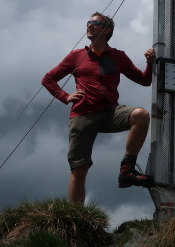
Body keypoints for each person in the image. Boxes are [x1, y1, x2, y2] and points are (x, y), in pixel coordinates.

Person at [42, 12, 155, 204]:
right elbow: (48, 79)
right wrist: (65, 97)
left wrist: (150, 62)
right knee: (79, 169)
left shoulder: (118, 56)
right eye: (88, 22)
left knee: (141, 115)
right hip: (82, 115)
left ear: (107, 29)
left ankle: (127, 171)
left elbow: (144, 81)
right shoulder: (76, 56)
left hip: (110, 112)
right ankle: (77, 219)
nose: (89, 25)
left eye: (94, 23)